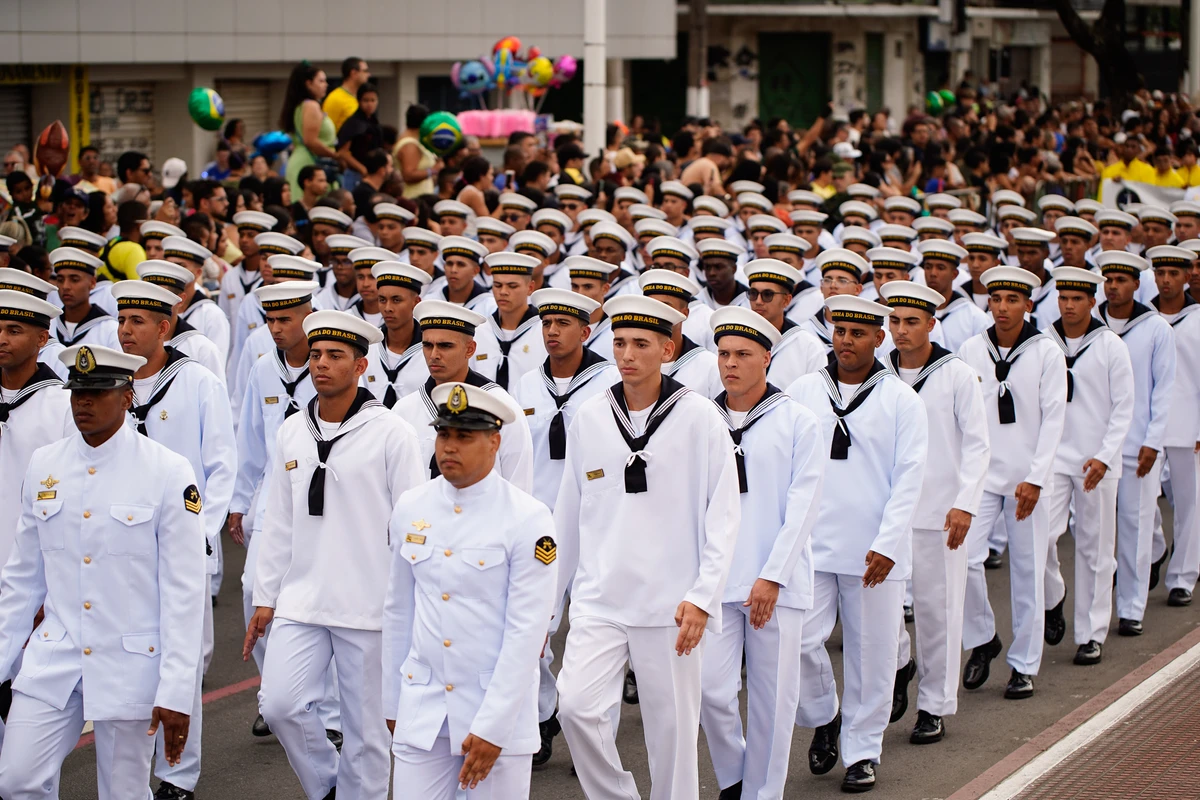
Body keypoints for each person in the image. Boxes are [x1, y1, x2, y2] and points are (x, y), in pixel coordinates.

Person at [554, 294, 741, 800]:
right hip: (600, 599)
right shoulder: (590, 416)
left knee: (673, 733)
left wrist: (703, 597)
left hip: (672, 602)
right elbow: (569, 515)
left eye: (640, 344)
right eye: (618, 343)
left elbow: (723, 516)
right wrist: (550, 606)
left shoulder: (701, 417)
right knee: (575, 707)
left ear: (668, 347)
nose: (627, 354)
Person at [0, 343, 207, 800]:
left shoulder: (167, 471)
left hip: (129, 661)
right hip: (56, 655)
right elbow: (21, 579)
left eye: (97, 393)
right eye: (77, 393)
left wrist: (175, 691)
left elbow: (184, 592)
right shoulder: (45, 465)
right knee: (17, 781)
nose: (84, 403)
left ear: (128, 396)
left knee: (123, 793)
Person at [245, 310, 424, 800]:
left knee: (368, 733)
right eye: (317, 355)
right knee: (280, 704)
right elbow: (279, 521)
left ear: (361, 365)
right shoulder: (292, 430)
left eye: (335, 356)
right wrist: (267, 597)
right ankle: (327, 786)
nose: (321, 364)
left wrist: (412, 603)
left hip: (370, 604)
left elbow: (413, 526)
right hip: (302, 599)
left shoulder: (391, 433)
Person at [382, 381, 558, 800]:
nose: (449, 447)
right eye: (444, 434)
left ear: (495, 442)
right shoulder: (412, 505)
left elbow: (526, 633)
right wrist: (393, 703)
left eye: (464, 437)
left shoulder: (528, 518)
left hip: (495, 711)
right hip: (422, 709)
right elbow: (398, 610)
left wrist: (493, 728)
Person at [786, 295, 927, 792]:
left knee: (872, 655)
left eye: (858, 333)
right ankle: (826, 714)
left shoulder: (901, 399)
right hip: (811, 545)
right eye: (839, 331)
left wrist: (889, 543)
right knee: (799, 640)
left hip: (873, 551)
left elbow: (910, 478)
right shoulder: (803, 389)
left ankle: (863, 751)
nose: (846, 341)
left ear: (878, 338)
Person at [110, 280, 237, 800]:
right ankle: (130, 772)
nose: (125, 330)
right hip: (122, 551)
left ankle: (178, 775)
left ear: (165, 327)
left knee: (180, 663)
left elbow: (221, 466)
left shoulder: (197, 382)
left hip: (180, 548)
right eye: (121, 320)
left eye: (137, 321)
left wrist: (200, 537)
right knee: (129, 663)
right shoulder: (109, 384)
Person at [699, 306, 825, 800]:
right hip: (718, 577)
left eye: (743, 354)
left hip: (776, 579)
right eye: (724, 354)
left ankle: (762, 794)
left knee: (773, 703)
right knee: (710, 689)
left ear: (767, 359)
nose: (730, 364)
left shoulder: (798, 420)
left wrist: (773, 576)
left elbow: (805, 506)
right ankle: (734, 778)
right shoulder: (700, 416)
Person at [879, 281, 990, 744]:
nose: (900, 331)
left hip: (939, 510)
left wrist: (965, 504)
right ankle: (902, 664)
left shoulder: (956, 374)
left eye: (911, 322)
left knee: (937, 610)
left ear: (931, 323)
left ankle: (934, 705)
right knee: (883, 612)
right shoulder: (879, 374)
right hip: (886, 512)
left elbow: (980, 445)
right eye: (894, 321)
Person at [514, 288, 619, 763]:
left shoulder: (611, 382)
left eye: (563, 323)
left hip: (595, 524)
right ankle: (541, 715)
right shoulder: (524, 385)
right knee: (533, 631)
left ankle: (595, 742)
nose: (552, 332)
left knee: (596, 633)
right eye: (546, 323)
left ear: (586, 329)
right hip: (538, 530)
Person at [959, 266, 1067, 699]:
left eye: (1012, 300)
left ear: (1027, 304)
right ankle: (984, 637)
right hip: (982, 476)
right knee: (963, 558)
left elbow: (1055, 418)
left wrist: (1037, 478)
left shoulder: (1045, 351)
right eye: (996, 299)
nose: (1002, 308)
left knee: (1028, 568)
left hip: (1026, 476)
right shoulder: (971, 348)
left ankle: (1024, 663)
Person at [1041, 267, 1133, 666]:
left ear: (1092, 302)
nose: (1069, 306)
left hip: (1097, 459)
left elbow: (1123, 406)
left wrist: (1107, 454)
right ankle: (1054, 594)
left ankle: (1091, 633)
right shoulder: (1045, 341)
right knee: (1040, 537)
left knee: (1096, 549)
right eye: (1063, 298)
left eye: (1077, 299)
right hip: (1055, 457)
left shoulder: (1110, 344)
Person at [1095, 250, 1176, 637]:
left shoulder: (1155, 327)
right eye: (1108, 280)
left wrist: (1153, 441)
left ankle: (1131, 607)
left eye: (1121, 280)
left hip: (1137, 443)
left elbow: (1164, 390)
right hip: (1096, 446)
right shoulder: (1091, 325)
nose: (1113, 287)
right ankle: (1099, 607)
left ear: (1135, 284)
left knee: (1135, 525)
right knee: (1094, 533)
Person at [392, 300, 533, 487]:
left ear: (470, 349)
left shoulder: (501, 408)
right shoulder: (403, 411)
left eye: (445, 346)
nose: (434, 354)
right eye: (427, 345)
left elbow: (519, 487)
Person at [1149, 246, 1200, 607]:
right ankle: (1153, 550)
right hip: (1148, 423)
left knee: (1190, 504)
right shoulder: (1144, 319)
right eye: (1160, 273)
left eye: (1174, 274)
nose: (1166, 280)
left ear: (1186, 277)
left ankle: (1183, 576)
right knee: (1141, 501)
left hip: (1188, 421)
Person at [744, 258, 827, 386]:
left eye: (767, 294)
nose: (758, 301)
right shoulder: (736, 338)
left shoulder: (808, 346)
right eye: (753, 293)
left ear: (786, 300)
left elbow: (815, 397)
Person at [472, 252, 545, 391]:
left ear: (530, 288)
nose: (503, 292)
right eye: (497, 285)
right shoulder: (480, 331)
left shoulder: (543, 331)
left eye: (512, 286)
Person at [363, 261, 431, 406]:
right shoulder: (367, 347)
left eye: (396, 300)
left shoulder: (431, 349)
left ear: (416, 302)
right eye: (382, 300)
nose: (387, 308)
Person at [283, 63, 339, 200]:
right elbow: (311, 141)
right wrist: (335, 156)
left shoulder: (302, 105)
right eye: (321, 81)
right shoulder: (311, 106)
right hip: (309, 162)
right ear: (308, 84)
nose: (325, 84)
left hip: (304, 160)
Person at [50, 248, 120, 349]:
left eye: (74, 280)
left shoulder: (110, 330)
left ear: (92, 283)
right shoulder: (49, 327)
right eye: (60, 280)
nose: (65, 286)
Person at [335, 83, 383, 192]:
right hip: (355, 174)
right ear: (359, 101)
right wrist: (362, 169)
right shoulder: (353, 123)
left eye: (373, 100)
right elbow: (343, 152)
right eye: (366, 100)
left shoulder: (374, 122)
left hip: (373, 175)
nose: (369, 104)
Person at [396, 104, 439, 198]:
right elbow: (408, 175)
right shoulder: (409, 144)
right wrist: (434, 170)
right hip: (414, 198)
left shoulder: (415, 141)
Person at [323, 56, 371, 133]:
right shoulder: (336, 98)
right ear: (353, 73)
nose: (368, 75)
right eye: (365, 71)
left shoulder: (360, 97)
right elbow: (325, 129)